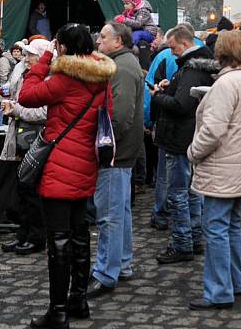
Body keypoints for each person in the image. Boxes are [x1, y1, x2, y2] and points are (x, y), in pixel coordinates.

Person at [19, 23, 115, 328]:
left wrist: (43, 62)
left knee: (58, 239)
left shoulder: (64, 78)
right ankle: (79, 301)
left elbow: (27, 96)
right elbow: (106, 117)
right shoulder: (101, 78)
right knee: (79, 233)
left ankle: (58, 311)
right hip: (86, 161)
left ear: (61, 47)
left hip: (59, 165)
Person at [187, 30, 241, 310]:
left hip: (224, 165)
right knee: (231, 225)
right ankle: (235, 280)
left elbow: (213, 131)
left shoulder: (226, 84)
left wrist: (193, 152)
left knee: (217, 227)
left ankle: (219, 290)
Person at [151, 24, 219, 264]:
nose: (172, 53)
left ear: (184, 43)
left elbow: (181, 106)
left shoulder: (191, 69)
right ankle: (194, 236)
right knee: (191, 192)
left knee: (178, 193)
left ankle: (182, 242)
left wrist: (158, 96)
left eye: (174, 48)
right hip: (190, 136)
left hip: (180, 138)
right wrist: (173, 87)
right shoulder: (200, 66)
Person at [88, 21, 144, 297]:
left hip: (116, 153)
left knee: (109, 214)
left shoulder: (120, 67)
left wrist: (103, 147)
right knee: (119, 211)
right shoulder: (125, 63)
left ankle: (106, 272)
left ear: (118, 42)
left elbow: (119, 117)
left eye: (103, 37)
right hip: (123, 152)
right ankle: (121, 264)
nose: (98, 41)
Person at [0, 38, 49, 255]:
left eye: (31, 55)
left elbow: (45, 113)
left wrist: (16, 109)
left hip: (35, 138)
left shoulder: (48, 78)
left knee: (31, 190)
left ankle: (37, 237)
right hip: (21, 136)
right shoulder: (22, 72)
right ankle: (24, 233)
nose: (26, 58)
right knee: (22, 188)